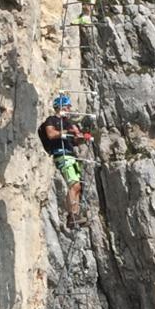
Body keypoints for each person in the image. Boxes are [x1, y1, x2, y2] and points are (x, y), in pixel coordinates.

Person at [40, 94, 92, 228]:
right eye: (68, 106)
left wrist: (82, 137)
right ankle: (72, 216)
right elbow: (51, 134)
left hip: (70, 155)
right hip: (61, 155)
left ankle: (74, 215)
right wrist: (65, 131)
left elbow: (76, 139)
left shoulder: (69, 123)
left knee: (78, 186)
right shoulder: (51, 120)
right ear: (61, 107)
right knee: (74, 185)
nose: (69, 109)